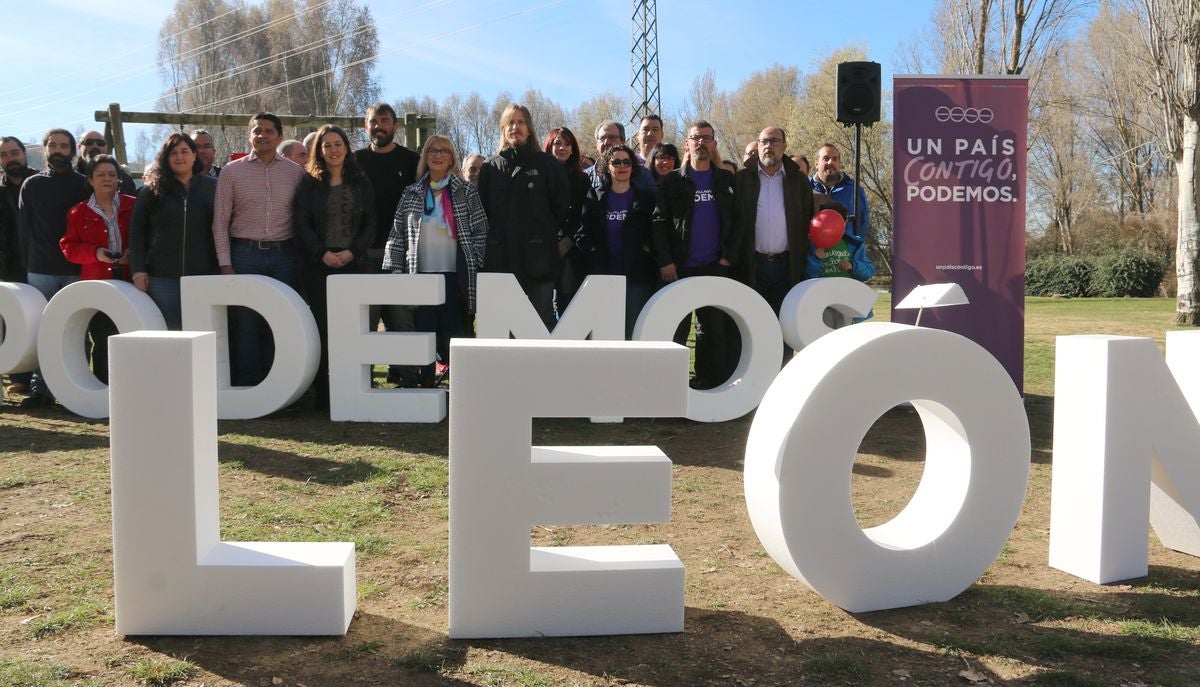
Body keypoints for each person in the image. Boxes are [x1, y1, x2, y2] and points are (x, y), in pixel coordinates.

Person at [211, 112, 306, 387]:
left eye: (268, 130)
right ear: (248, 134)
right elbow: (220, 221)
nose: (262, 135)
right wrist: (225, 264)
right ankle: (248, 387)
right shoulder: (231, 172)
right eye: (256, 130)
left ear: (278, 135)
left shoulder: (295, 172)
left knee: (282, 321)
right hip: (244, 256)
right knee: (245, 323)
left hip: (284, 256)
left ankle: (280, 386)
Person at [385, 134, 487, 387]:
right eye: (433, 150)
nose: (438, 155)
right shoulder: (411, 193)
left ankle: (462, 386)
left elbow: (481, 230)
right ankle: (427, 383)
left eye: (444, 151)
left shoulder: (465, 191)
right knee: (424, 331)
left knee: (455, 332)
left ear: (451, 157)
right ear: (426, 157)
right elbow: (397, 234)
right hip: (420, 275)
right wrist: (394, 271)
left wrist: (475, 259)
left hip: (455, 275)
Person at [652, 120, 739, 390]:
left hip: (715, 266)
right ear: (686, 144)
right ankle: (668, 386)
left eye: (706, 137)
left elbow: (739, 223)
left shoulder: (726, 180)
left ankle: (708, 382)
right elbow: (658, 222)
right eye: (695, 138)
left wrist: (727, 258)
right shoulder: (672, 181)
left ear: (714, 143)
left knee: (712, 329)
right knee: (675, 328)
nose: (700, 142)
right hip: (678, 268)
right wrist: (665, 260)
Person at [293, 124, 376, 410]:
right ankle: (325, 396)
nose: (333, 150)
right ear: (319, 150)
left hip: (354, 264)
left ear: (346, 147)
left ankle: (356, 388)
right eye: (326, 145)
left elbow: (370, 223)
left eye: (337, 143)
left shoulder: (360, 181)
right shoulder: (309, 182)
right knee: (322, 328)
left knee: (354, 328)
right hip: (318, 266)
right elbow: (301, 222)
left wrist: (352, 252)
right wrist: (321, 253)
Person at [734, 127, 824, 360]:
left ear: (784, 146)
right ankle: (755, 380)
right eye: (763, 141)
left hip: (787, 266)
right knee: (754, 324)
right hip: (753, 265)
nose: (768, 146)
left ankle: (781, 376)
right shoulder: (743, 179)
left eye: (774, 141)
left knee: (784, 325)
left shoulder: (797, 180)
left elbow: (808, 217)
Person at [477, 103, 568, 329]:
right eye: (509, 123)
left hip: (539, 262)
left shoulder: (548, 165)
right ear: (502, 129)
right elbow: (483, 213)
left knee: (541, 325)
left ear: (529, 128)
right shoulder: (490, 168)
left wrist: (547, 238)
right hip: (500, 261)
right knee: (501, 327)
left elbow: (563, 208)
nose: (514, 127)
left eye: (520, 122)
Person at [18, 128, 89, 407]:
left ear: (72, 150)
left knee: (76, 329)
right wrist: (29, 266)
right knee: (44, 332)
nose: (58, 150)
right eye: (53, 145)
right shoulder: (32, 184)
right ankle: (42, 390)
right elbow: (25, 230)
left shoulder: (84, 184)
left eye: (64, 145)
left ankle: (78, 389)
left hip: (76, 269)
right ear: (45, 149)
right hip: (40, 271)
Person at [353, 101, 420, 387]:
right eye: (373, 121)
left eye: (384, 120)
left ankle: (408, 379)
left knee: (401, 319)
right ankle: (361, 383)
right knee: (364, 321)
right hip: (363, 252)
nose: (378, 126)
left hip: (403, 252)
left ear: (395, 126)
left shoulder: (412, 161)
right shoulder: (353, 161)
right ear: (365, 126)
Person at [128, 133, 218, 330]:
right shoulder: (150, 192)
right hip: (162, 279)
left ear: (194, 155)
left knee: (203, 333)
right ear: (165, 158)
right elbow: (137, 233)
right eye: (173, 153)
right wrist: (138, 270)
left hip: (204, 276)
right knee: (169, 333)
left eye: (185, 151)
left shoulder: (213, 188)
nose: (179, 157)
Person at [59, 155, 135, 385]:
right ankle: (102, 386)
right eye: (100, 174)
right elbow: (68, 246)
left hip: (132, 282)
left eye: (112, 174)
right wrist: (95, 253)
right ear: (90, 179)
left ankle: (130, 386)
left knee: (130, 335)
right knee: (102, 337)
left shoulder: (135, 204)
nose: (107, 178)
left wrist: (134, 253)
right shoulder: (77, 212)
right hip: (97, 283)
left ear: (119, 179)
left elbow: (149, 237)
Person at [575, 144, 657, 338]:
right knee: (606, 333)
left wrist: (647, 249)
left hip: (637, 276)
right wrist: (594, 251)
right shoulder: (595, 196)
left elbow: (657, 231)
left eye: (627, 161)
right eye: (616, 162)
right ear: (607, 166)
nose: (622, 166)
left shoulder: (646, 197)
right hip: (604, 276)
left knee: (633, 331)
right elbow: (581, 234)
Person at [0, 136, 37, 397]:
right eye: (4, 155)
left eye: (14, 152)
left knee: (39, 320)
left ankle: (37, 380)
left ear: (25, 154)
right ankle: (18, 377)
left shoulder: (41, 183)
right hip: (7, 264)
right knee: (9, 322)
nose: (10, 159)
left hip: (41, 262)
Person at [543, 126, 589, 312]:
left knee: (567, 302)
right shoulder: (539, 176)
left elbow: (584, 216)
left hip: (570, 250)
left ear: (573, 149)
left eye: (567, 144)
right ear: (549, 146)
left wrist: (567, 242)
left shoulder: (582, 179)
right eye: (557, 143)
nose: (562, 147)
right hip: (541, 248)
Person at [587, 120, 656, 193]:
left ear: (623, 142)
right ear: (596, 144)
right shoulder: (585, 177)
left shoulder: (643, 175)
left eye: (612, 137)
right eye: (602, 138)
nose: (606, 142)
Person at [75, 130, 137, 195]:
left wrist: (120, 171)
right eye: (89, 142)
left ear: (106, 147)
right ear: (79, 147)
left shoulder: (122, 176)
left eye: (100, 143)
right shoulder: (71, 177)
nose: (95, 146)